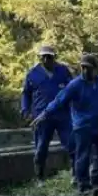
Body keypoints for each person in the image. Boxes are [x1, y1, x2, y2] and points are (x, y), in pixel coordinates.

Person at [32, 53, 98, 196]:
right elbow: (59, 100)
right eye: (83, 68)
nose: (85, 71)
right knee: (83, 155)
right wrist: (44, 114)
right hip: (84, 126)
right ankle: (83, 185)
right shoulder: (75, 85)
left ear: (95, 69)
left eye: (89, 68)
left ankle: (96, 182)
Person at [20, 45, 75, 186]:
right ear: (40, 58)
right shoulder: (33, 74)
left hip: (63, 115)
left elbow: (72, 90)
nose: (46, 59)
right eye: (43, 57)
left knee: (71, 144)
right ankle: (39, 177)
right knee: (41, 147)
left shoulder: (63, 71)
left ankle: (76, 174)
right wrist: (25, 110)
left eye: (49, 56)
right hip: (41, 116)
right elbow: (26, 93)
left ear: (54, 57)